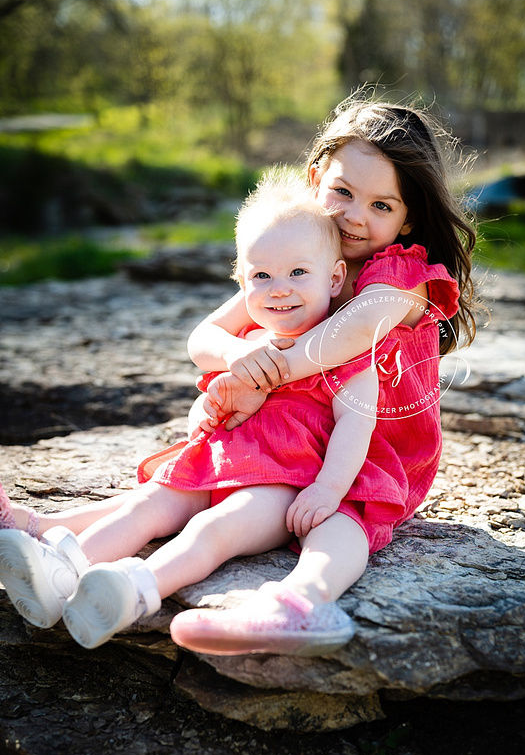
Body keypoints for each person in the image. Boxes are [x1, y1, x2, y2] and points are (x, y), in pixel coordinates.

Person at [3, 96, 478, 655]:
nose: (355, 215)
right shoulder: (297, 253)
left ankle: (297, 603)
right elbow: (204, 338)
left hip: (366, 455)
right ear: (315, 176)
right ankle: (49, 540)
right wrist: (234, 360)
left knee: (326, 520)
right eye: (343, 191)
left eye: (381, 205)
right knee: (174, 491)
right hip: (283, 436)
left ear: (409, 217)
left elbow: (347, 339)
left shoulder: (403, 277)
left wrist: (260, 377)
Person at [0, 171, 381, 650]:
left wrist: (327, 490)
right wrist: (205, 412)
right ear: (242, 283)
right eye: (262, 276)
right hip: (214, 466)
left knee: (212, 530)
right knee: (146, 507)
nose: (279, 289)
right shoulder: (247, 343)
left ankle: (134, 589)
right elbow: (210, 402)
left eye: (297, 273)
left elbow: (356, 423)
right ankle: (64, 567)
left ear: (335, 277)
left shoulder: (342, 350)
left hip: (281, 484)